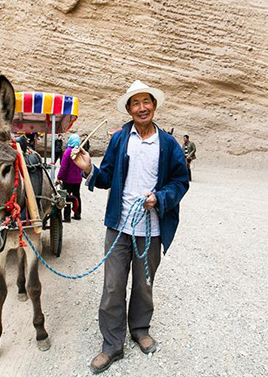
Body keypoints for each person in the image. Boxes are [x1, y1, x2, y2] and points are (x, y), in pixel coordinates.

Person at [71, 80, 189, 374]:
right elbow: (107, 176)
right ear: (128, 109)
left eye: (145, 102)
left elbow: (181, 181)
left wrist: (159, 198)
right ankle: (112, 345)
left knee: (144, 284)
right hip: (119, 227)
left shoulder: (169, 144)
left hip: (151, 229)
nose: (141, 108)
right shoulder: (120, 139)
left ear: (154, 106)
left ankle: (139, 328)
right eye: (135, 104)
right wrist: (88, 169)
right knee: (112, 287)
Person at [57, 134, 83, 220]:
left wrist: (59, 177)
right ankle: (77, 214)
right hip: (78, 179)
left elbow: (63, 167)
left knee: (67, 196)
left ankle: (67, 216)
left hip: (68, 179)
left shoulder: (68, 152)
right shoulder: (80, 151)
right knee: (77, 195)